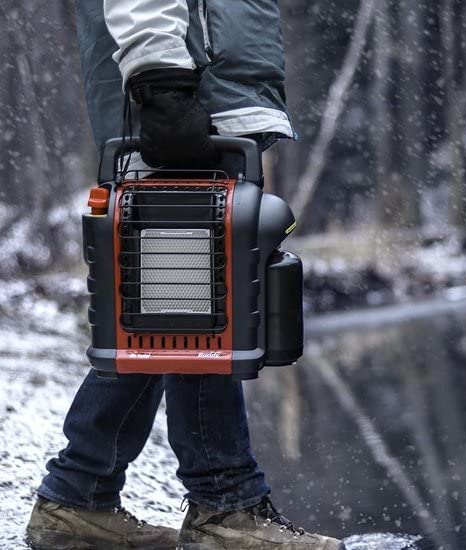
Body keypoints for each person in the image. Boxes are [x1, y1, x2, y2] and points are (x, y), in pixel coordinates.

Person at [25, 1, 344, 549]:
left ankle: (79, 496)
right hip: (186, 108)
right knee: (199, 311)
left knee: (167, 313)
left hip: (211, 105)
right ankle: (224, 507)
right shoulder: (174, 99)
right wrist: (162, 87)